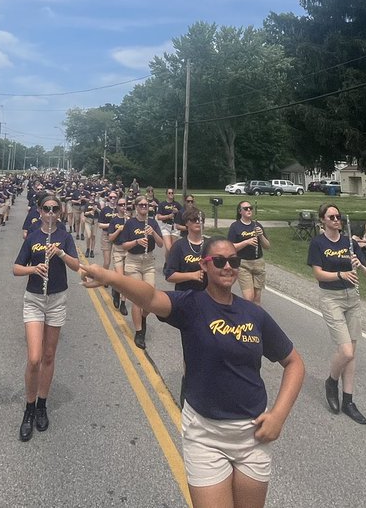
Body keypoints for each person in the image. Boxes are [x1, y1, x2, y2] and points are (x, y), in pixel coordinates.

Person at [80, 237, 304, 508]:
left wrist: (278, 416)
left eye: (233, 261)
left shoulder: (253, 313)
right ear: (204, 265)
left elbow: (294, 363)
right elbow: (150, 296)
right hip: (205, 435)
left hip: (252, 434)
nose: (227, 267)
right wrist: (108, 277)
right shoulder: (191, 305)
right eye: (219, 261)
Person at [12, 192, 82, 441]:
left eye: (55, 209)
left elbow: (76, 266)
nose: (51, 213)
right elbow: (16, 268)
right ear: (40, 212)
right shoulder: (33, 237)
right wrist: (34, 268)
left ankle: (42, 404)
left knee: (49, 355)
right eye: (47, 209)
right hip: (34, 299)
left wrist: (60, 254)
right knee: (34, 358)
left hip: (57, 299)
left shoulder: (64, 236)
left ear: (59, 212)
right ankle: (29, 407)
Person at [308, 203, 366, 425]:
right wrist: (340, 274)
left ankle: (348, 401)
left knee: (352, 354)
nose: (336, 220)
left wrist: (359, 265)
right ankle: (331, 381)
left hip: (352, 298)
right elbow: (318, 274)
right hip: (331, 298)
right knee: (345, 352)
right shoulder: (318, 243)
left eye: (338, 216)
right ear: (323, 220)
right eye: (332, 217)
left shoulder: (348, 242)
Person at [119, 195, 167, 349]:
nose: (144, 207)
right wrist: (137, 241)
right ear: (136, 207)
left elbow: (161, 244)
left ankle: (143, 317)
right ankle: (139, 332)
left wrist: (153, 233)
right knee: (138, 298)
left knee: (151, 296)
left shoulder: (152, 222)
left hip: (148, 261)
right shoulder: (130, 223)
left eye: (146, 205)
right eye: (141, 205)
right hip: (133, 262)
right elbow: (124, 245)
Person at [228, 201, 270, 304]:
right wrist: (246, 242)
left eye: (250, 208)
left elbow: (267, 246)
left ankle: (255, 314)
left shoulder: (257, 225)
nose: (249, 210)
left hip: (258, 263)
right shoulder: (235, 226)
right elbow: (230, 247)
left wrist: (261, 235)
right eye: (246, 208)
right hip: (243, 264)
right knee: (249, 298)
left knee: (257, 298)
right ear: (240, 211)